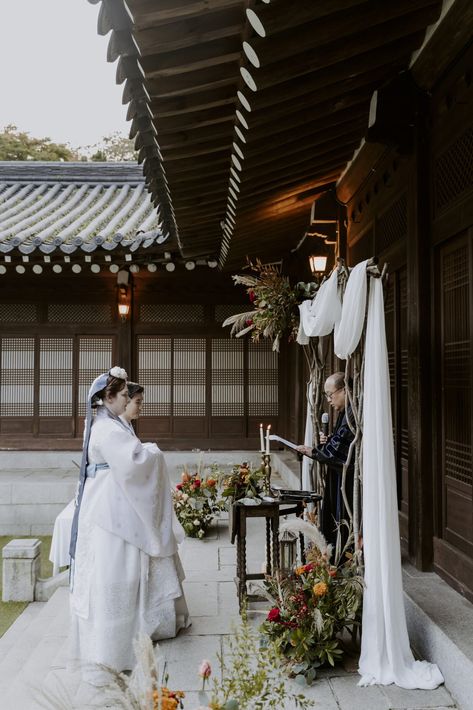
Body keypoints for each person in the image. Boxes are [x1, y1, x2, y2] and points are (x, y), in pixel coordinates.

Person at [69, 367, 189, 681]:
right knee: (117, 570)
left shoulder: (106, 424)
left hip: (112, 501)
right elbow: (134, 462)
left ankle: (127, 634)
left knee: (122, 568)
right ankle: (114, 645)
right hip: (112, 508)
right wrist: (154, 452)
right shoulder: (107, 429)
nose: (127, 400)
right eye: (123, 395)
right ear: (108, 397)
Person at [297, 372, 355, 555]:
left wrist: (313, 452)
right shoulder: (344, 413)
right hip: (337, 475)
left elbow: (338, 453)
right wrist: (329, 440)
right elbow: (340, 444)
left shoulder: (352, 415)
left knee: (342, 520)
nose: (329, 400)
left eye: (330, 394)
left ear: (345, 390)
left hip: (347, 479)